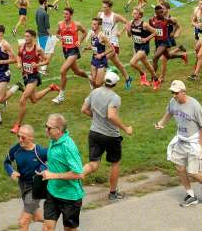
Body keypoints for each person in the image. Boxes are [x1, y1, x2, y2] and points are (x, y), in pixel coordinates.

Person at [155, 80, 202, 207]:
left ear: (183, 92)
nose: (174, 95)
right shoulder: (173, 102)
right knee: (179, 167)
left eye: (176, 93)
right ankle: (191, 195)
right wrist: (161, 123)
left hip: (194, 141)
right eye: (172, 93)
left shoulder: (194, 106)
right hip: (181, 139)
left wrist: (199, 145)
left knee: (192, 172)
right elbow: (169, 112)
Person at [81, 70, 132, 200]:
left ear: (104, 81)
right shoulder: (115, 97)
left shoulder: (94, 92)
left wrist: (96, 117)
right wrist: (125, 128)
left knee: (93, 164)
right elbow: (111, 116)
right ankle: (113, 193)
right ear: (115, 84)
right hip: (110, 136)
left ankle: (72, 181)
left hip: (94, 133)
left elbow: (84, 109)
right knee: (115, 163)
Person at [37, 115, 83, 231]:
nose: (46, 130)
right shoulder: (54, 140)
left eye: (49, 128)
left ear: (59, 130)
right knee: (47, 228)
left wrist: (53, 176)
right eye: (45, 126)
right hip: (52, 192)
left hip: (70, 197)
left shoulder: (68, 146)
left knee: (69, 229)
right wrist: (46, 171)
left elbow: (78, 174)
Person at [3, 125, 47, 231]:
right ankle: (50, 222)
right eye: (18, 136)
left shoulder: (39, 151)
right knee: (36, 217)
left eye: (23, 137)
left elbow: (51, 162)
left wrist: (43, 169)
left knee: (23, 222)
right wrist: (11, 172)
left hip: (35, 187)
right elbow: (6, 162)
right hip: (23, 186)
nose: (20, 140)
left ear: (31, 138)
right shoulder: (16, 149)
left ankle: (50, 223)